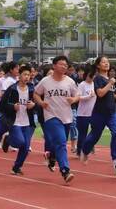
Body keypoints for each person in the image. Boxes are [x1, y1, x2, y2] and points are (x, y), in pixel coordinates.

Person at [33, 56, 79, 184]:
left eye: (65, 65)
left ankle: (52, 155)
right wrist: (41, 102)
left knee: (59, 143)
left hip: (66, 117)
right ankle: (65, 170)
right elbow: (36, 93)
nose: (64, 67)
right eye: (61, 64)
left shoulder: (70, 81)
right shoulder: (45, 81)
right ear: (54, 66)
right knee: (61, 142)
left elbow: (77, 95)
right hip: (51, 116)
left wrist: (73, 100)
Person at [80, 57, 116, 165]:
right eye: (103, 62)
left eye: (107, 62)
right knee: (95, 135)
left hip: (112, 112)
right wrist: (110, 84)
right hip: (99, 113)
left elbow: (109, 94)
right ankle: (85, 150)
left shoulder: (109, 79)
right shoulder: (98, 79)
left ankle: (115, 158)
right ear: (98, 65)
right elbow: (100, 93)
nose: (106, 64)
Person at [2, 65, 39, 175]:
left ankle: (16, 167)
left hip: (28, 121)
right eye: (25, 74)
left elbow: (38, 103)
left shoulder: (32, 89)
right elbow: (4, 104)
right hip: (15, 121)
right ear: (19, 75)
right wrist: (13, 106)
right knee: (20, 142)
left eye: (29, 75)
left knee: (26, 147)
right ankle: (8, 139)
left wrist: (34, 105)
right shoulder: (12, 89)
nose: (27, 77)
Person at [0, 62, 19, 148]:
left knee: (13, 126)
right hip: (4, 108)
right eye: (16, 68)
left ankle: (11, 142)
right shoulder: (7, 81)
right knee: (3, 127)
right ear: (11, 70)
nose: (18, 70)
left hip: (15, 108)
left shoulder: (18, 80)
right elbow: (3, 94)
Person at [75, 69, 96, 157]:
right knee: (82, 133)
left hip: (94, 112)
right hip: (83, 113)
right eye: (90, 76)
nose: (92, 78)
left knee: (95, 131)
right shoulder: (82, 85)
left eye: (93, 76)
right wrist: (88, 96)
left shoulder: (95, 84)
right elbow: (78, 97)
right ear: (86, 75)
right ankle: (80, 150)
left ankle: (89, 145)